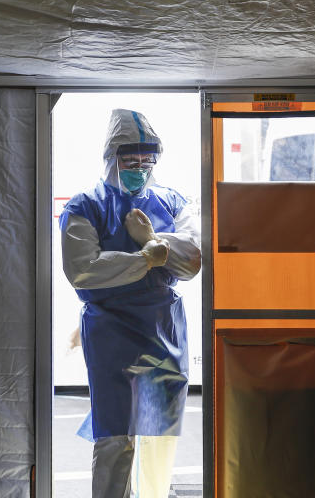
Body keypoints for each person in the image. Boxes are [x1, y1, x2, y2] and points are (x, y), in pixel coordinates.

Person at [59, 108, 201, 498]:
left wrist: (151, 240)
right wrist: (147, 259)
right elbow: (83, 269)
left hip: (163, 330)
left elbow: (192, 260)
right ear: (111, 159)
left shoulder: (173, 201)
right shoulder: (85, 206)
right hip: (111, 334)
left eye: (147, 160)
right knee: (115, 433)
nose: (140, 167)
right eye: (130, 160)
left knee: (160, 435)